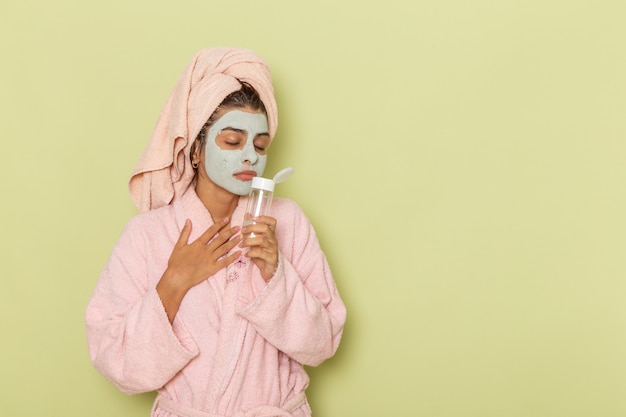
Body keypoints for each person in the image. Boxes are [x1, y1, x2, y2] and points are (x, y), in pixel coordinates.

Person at [85, 47, 346, 417]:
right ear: (196, 148)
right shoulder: (147, 234)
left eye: (260, 145)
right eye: (232, 141)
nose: (250, 157)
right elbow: (116, 363)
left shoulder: (286, 221)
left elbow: (322, 345)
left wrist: (275, 274)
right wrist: (174, 281)